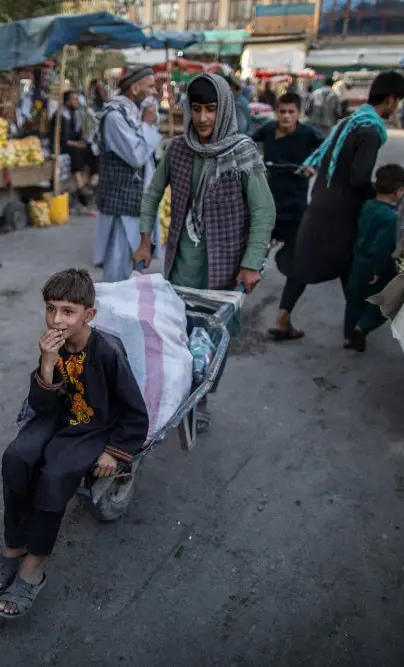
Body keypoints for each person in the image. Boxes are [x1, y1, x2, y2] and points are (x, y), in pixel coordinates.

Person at [0, 268, 148, 619]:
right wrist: (46, 362)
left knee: (56, 474)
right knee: (16, 458)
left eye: (68, 311)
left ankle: (33, 567)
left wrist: (113, 450)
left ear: (89, 315)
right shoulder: (54, 345)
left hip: (93, 426)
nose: (56, 319)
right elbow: (42, 405)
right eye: (50, 308)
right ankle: (14, 547)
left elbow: (135, 411)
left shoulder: (106, 351)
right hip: (57, 417)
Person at [135, 74, 276, 431]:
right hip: (183, 259)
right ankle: (179, 390)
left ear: (224, 109)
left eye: (211, 109)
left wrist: (251, 263)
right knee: (179, 329)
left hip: (227, 265)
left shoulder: (242, 152)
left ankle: (203, 397)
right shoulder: (179, 150)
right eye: (196, 109)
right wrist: (145, 239)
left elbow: (263, 212)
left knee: (214, 334)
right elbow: (152, 194)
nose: (202, 119)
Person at [283, 71, 404, 340]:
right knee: (356, 266)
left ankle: (284, 318)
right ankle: (357, 328)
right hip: (343, 211)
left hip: (319, 201)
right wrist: (377, 197)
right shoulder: (371, 129)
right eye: (397, 102)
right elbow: (360, 177)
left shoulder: (349, 122)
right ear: (390, 99)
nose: (395, 108)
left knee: (305, 262)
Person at [251, 92, 324, 341]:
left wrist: (314, 166)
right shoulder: (267, 129)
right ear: (276, 112)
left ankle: (283, 318)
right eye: (282, 112)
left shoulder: (308, 134)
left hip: (295, 210)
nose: (286, 117)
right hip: (267, 208)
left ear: (299, 114)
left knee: (300, 265)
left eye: (291, 112)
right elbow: (246, 144)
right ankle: (226, 307)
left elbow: (329, 151)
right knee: (248, 258)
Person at [92, 67, 161, 281]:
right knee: (118, 268)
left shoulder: (131, 114)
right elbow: (137, 156)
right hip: (122, 204)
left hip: (135, 202)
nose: (155, 92)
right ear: (135, 88)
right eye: (150, 86)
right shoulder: (115, 117)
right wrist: (148, 124)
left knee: (133, 267)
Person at [342, 164, 404, 352]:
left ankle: (349, 337)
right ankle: (362, 327)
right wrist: (377, 270)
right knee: (386, 301)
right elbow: (381, 247)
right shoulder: (390, 217)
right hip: (375, 267)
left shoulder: (368, 206)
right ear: (398, 192)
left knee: (354, 300)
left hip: (358, 261)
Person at [51, 90, 95, 207]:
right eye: (74, 100)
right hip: (62, 147)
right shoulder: (60, 115)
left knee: (93, 150)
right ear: (67, 102)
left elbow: (78, 134)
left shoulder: (75, 115)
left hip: (74, 144)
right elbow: (62, 140)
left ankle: (92, 183)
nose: (77, 102)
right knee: (74, 152)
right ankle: (80, 186)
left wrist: (82, 142)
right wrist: (77, 144)